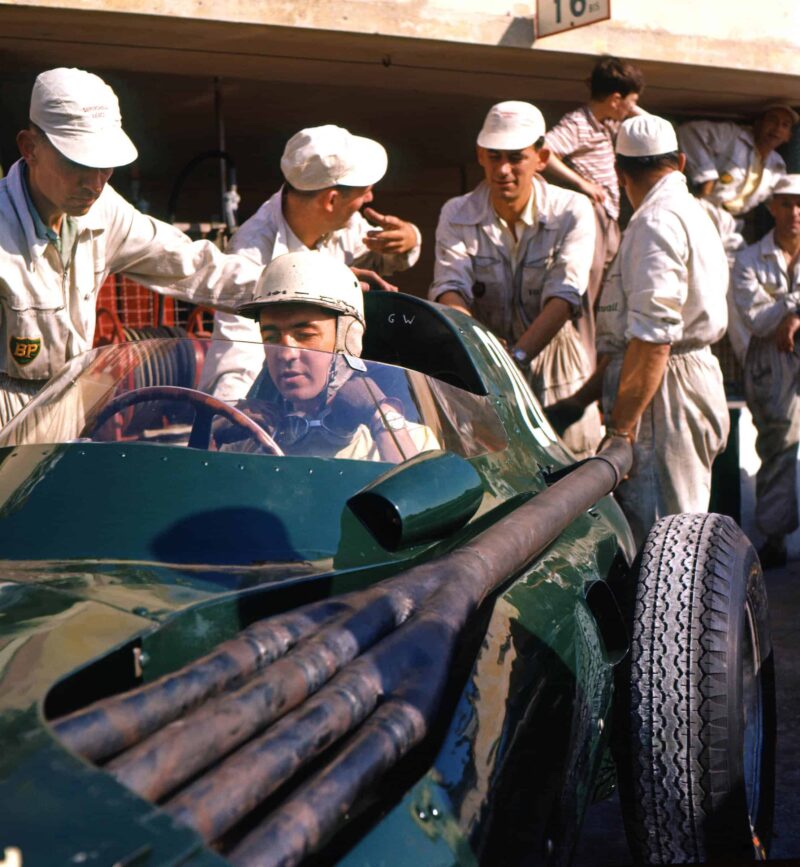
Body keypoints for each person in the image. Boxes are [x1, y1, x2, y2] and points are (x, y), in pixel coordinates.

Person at [0, 67, 263, 428]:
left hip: (64, 414)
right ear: (30, 148)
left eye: (105, 165)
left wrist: (301, 289)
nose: (95, 182)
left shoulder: (104, 211)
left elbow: (191, 265)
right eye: (78, 162)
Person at [554, 114, 730, 547]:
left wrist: (621, 430)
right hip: (673, 378)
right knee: (673, 535)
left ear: (618, 171)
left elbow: (654, 341)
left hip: (663, 391)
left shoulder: (656, 221)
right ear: (681, 162)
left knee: (667, 542)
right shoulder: (693, 211)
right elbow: (636, 341)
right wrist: (581, 400)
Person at [429, 100, 600, 458]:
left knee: (573, 475)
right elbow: (450, 287)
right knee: (496, 473)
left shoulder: (572, 209)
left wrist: (517, 355)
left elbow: (566, 295)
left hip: (557, 366)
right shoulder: (456, 213)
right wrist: (487, 355)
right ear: (479, 155)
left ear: (541, 157)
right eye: (494, 157)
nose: (503, 169)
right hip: (483, 363)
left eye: (515, 157)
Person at [199, 125, 421, 401]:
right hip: (279, 405)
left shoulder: (343, 223)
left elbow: (381, 258)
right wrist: (236, 415)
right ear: (331, 200)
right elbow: (239, 351)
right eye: (363, 192)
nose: (369, 198)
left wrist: (409, 239)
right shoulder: (252, 252)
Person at [232, 250, 436, 462]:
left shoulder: (413, 441)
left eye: (305, 335)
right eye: (271, 337)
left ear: (348, 338)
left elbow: (422, 492)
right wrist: (212, 431)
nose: (285, 353)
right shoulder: (248, 443)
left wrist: (383, 419)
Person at [544, 55, 645, 358]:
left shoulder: (611, 123)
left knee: (612, 290)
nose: (632, 107)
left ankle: (604, 355)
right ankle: (585, 359)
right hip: (592, 214)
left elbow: (650, 123)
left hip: (611, 215)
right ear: (616, 99)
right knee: (586, 293)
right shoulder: (578, 122)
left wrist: (630, 105)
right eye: (630, 100)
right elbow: (545, 152)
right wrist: (582, 184)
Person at [732, 174, 800, 568]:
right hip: (771, 358)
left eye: (799, 204)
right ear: (772, 207)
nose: (794, 213)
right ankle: (774, 534)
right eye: (786, 204)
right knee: (778, 445)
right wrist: (793, 310)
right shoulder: (749, 259)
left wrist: (792, 311)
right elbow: (758, 320)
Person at [678, 104, 798, 221]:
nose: (777, 128)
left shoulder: (777, 166)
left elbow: (778, 201)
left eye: (785, 125)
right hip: (699, 210)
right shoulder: (733, 136)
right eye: (772, 120)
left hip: (730, 221)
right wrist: (706, 178)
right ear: (758, 124)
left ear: (788, 136)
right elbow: (687, 132)